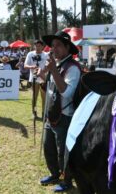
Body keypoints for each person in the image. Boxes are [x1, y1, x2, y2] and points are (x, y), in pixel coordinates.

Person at [38, 31, 81, 192]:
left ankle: (66, 181)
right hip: (52, 114)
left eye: (58, 45)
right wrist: (43, 76)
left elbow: (67, 93)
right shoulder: (55, 64)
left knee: (64, 151)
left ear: (67, 47)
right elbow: (51, 89)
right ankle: (54, 174)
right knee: (48, 147)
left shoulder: (73, 68)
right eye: (53, 45)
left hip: (65, 115)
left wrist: (53, 71)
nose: (54, 49)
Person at [25, 40, 48, 117]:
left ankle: (43, 113)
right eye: (36, 45)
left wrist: (42, 72)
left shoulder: (46, 55)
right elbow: (25, 65)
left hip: (43, 79)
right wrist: (32, 67)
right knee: (34, 97)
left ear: (42, 46)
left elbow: (49, 66)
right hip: (34, 78)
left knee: (44, 97)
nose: (37, 47)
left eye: (39, 46)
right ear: (34, 46)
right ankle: (34, 112)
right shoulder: (30, 54)